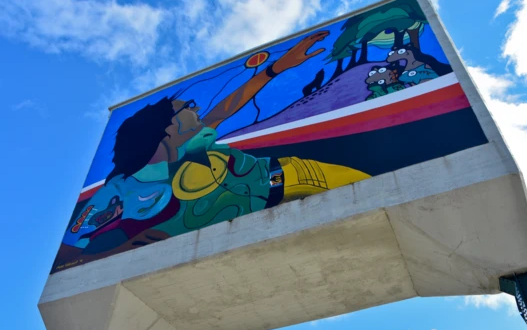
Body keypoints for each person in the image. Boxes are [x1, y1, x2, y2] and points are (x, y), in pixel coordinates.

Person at [64, 31, 370, 256]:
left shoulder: (189, 142)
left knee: (367, 188)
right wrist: (123, 249)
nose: (197, 108)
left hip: (288, 176)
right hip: (254, 220)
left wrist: (275, 68)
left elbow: (227, 107)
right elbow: (70, 248)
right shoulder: (120, 189)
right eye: (188, 107)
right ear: (166, 130)